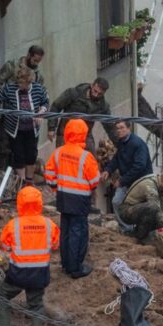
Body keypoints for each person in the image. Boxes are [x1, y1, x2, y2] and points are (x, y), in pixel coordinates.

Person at [44, 118, 100, 278]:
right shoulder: (86, 156)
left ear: (67, 132)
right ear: (83, 134)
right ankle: (75, 268)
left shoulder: (58, 152)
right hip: (80, 199)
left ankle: (65, 263)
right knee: (78, 232)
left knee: (66, 230)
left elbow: (49, 174)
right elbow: (95, 180)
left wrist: (56, 186)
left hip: (62, 197)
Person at [0, 186, 59, 326]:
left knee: (2, 296)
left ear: (20, 203)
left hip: (18, 273)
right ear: (39, 203)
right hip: (39, 273)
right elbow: (55, 246)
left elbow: (4, 246)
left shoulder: (13, 225)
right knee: (36, 305)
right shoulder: (49, 224)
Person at [0, 66, 49, 185]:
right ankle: (21, 182)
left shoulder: (38, 89)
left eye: (22, 83)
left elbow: (45, 102)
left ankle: (29, 181)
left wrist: (41, 112)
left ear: (29, 82)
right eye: (19, 82)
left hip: (32, 129)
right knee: (19, 155)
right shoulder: (10, 89)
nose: (19, 85)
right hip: (16, 130)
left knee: (31, 155)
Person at [101, 120, 153, 231]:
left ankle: (140, 229)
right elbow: (116, 159)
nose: (119, 130)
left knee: (138, 206)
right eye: (117, 128)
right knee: (116, 201)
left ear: (129, 128)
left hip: (141, 182)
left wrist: (122, 180)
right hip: (127, 180)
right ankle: (126, 228)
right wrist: (108, 170)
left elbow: (140, 166)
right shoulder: (122, 142)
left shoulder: (138, 144)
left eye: (122, 127)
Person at [48, 78, 116, 151]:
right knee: (64, 156)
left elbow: (109, 126)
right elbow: (56, 106)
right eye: (95, 91)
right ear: (91, 85)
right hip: (66, 132)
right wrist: (51, 128)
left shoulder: (103, 106)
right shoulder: (73, 93)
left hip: (85, 135)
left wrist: (119, 143)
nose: (96, 95)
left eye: (100, 94)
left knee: (91, 158)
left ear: (104, 93)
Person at [117, 167, 163, 240]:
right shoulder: (150, 185)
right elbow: (156, 210)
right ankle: (140, 238)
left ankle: (136, 233)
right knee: (153, 209)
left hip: (139, 209)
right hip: (126, 210)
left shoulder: (161, 186)